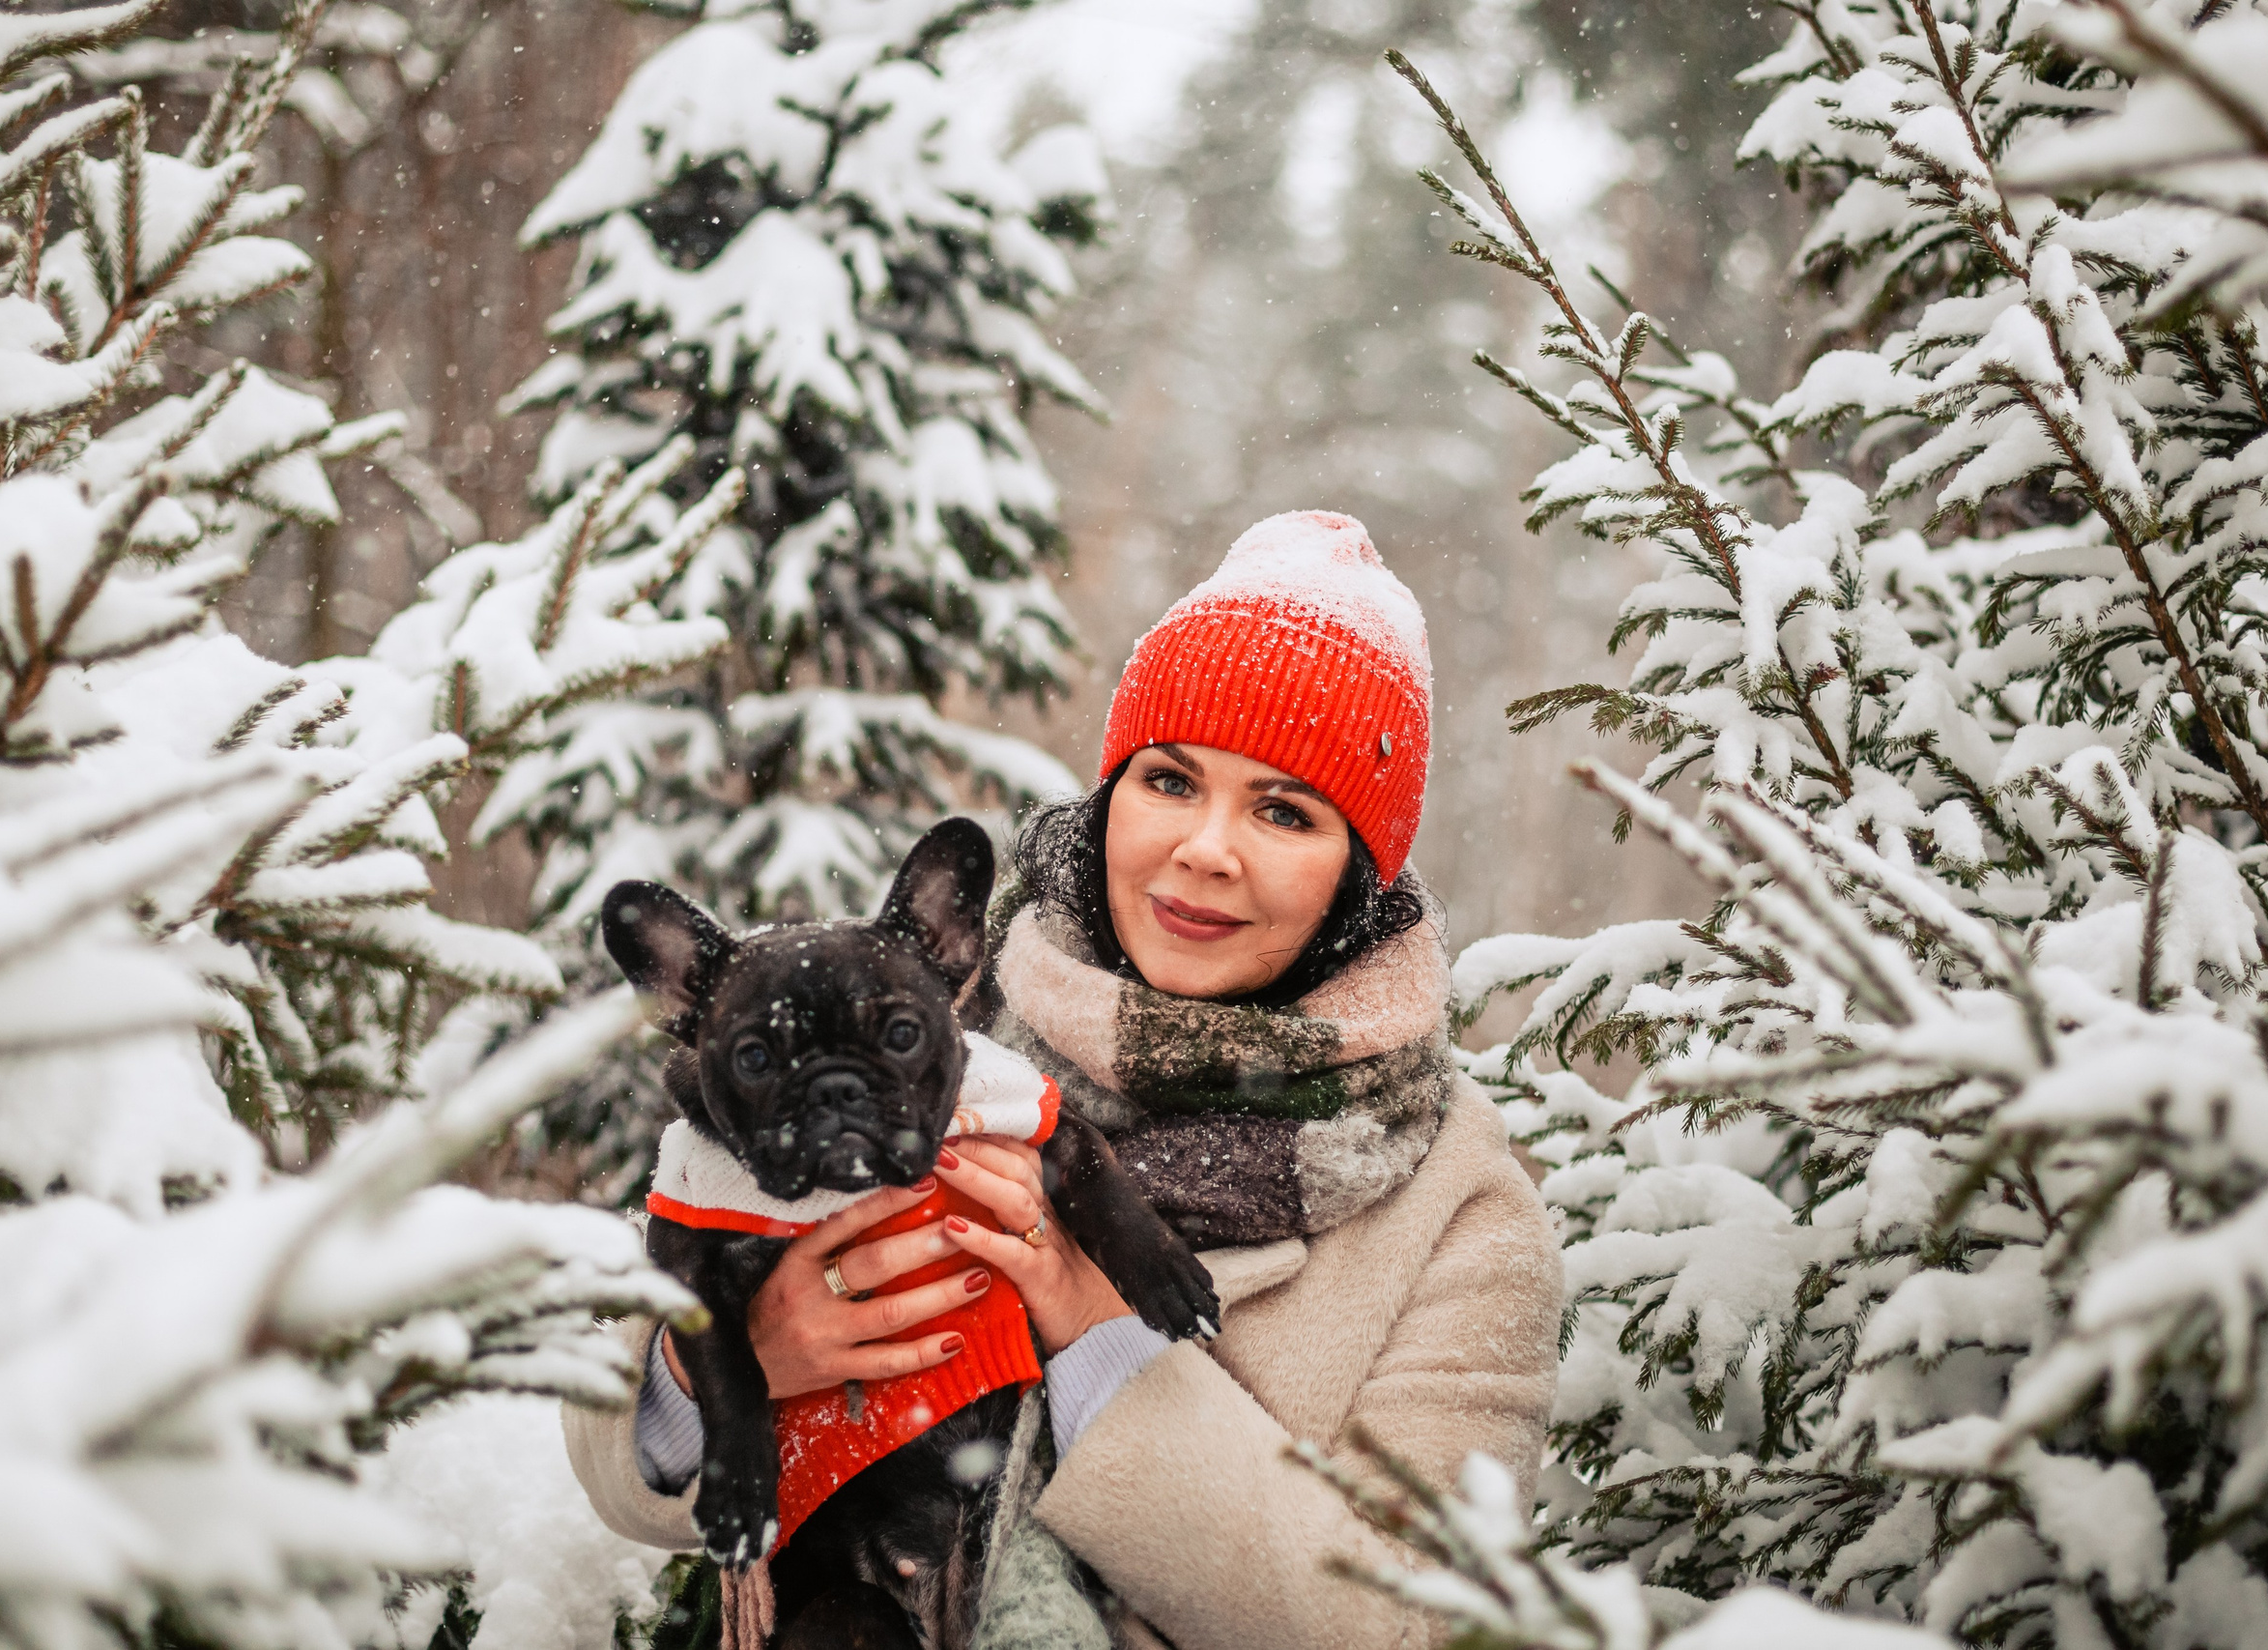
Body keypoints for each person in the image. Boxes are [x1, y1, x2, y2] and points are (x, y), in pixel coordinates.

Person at [565, 510, 1562, 1650]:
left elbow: (1417, 1627)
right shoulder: (922, 1022)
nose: (1205, 849)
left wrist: (1096, 1330)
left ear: (1357, 877)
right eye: (1170, 780)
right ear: (1109, 800)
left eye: (1283, 809)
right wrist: (718, 1374)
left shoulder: (1462, 1221)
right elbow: (608, 1421)